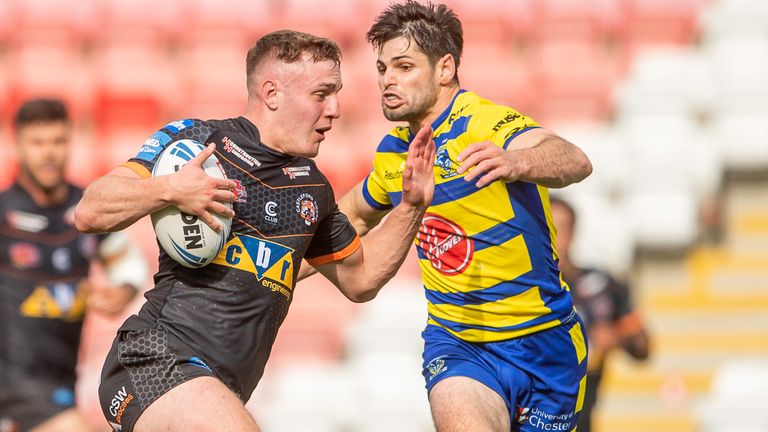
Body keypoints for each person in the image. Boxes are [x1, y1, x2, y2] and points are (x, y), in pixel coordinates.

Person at [74, 30, 436, 432]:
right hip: (153, 358)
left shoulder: (311, 189)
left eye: (337, 94)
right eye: (322, 94)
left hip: (221, 386)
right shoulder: (198, 141)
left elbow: (362, 280)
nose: (334, 109)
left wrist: (411, 208)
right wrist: (170, 189)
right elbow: (90, 211)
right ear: (272, 93)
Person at [299, 1, 594, 431]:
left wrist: (517, 162)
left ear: (445, 68)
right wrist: (275, 269)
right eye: (382, 69)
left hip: (544, 342)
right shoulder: (395, 150)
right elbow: (352, 220)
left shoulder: (484, 122)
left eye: (403, 66)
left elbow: (574, 159)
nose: (387, 80)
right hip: (458, 343)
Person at [0, 99, 148, 432]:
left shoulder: (88, 210)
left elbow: (128, 265)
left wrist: (121, 293)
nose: (49, 153)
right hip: (14, 381)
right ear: (19, 146)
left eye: (58, 141)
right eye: (38, 143)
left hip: (60, 381)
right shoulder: (3, 214)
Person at [549, 196, 650, 432]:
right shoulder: (520, 288)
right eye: (547, 227)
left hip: (582, 418)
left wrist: (616, 337)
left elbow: (644, 346)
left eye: (561, 228)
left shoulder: (603, 284)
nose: (554, 237)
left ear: (574, 232)